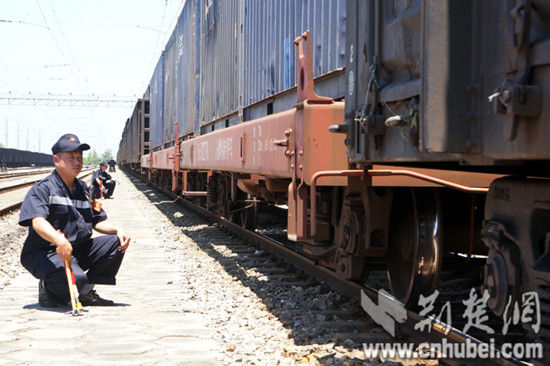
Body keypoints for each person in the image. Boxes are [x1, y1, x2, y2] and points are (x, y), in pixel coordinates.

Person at [18, 133, 131, 307]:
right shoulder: (43, 189)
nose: (77, 162)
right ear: (56, 160)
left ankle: (85, 291)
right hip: (46, 252)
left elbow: (97, 220)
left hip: (75, 249)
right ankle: (48, 287)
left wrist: (118, 230)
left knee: (117, 243)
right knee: (76, 279)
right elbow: (38, 222)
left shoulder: (84, 190)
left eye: (79, 157)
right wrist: (59, 240)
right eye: (71, 157)